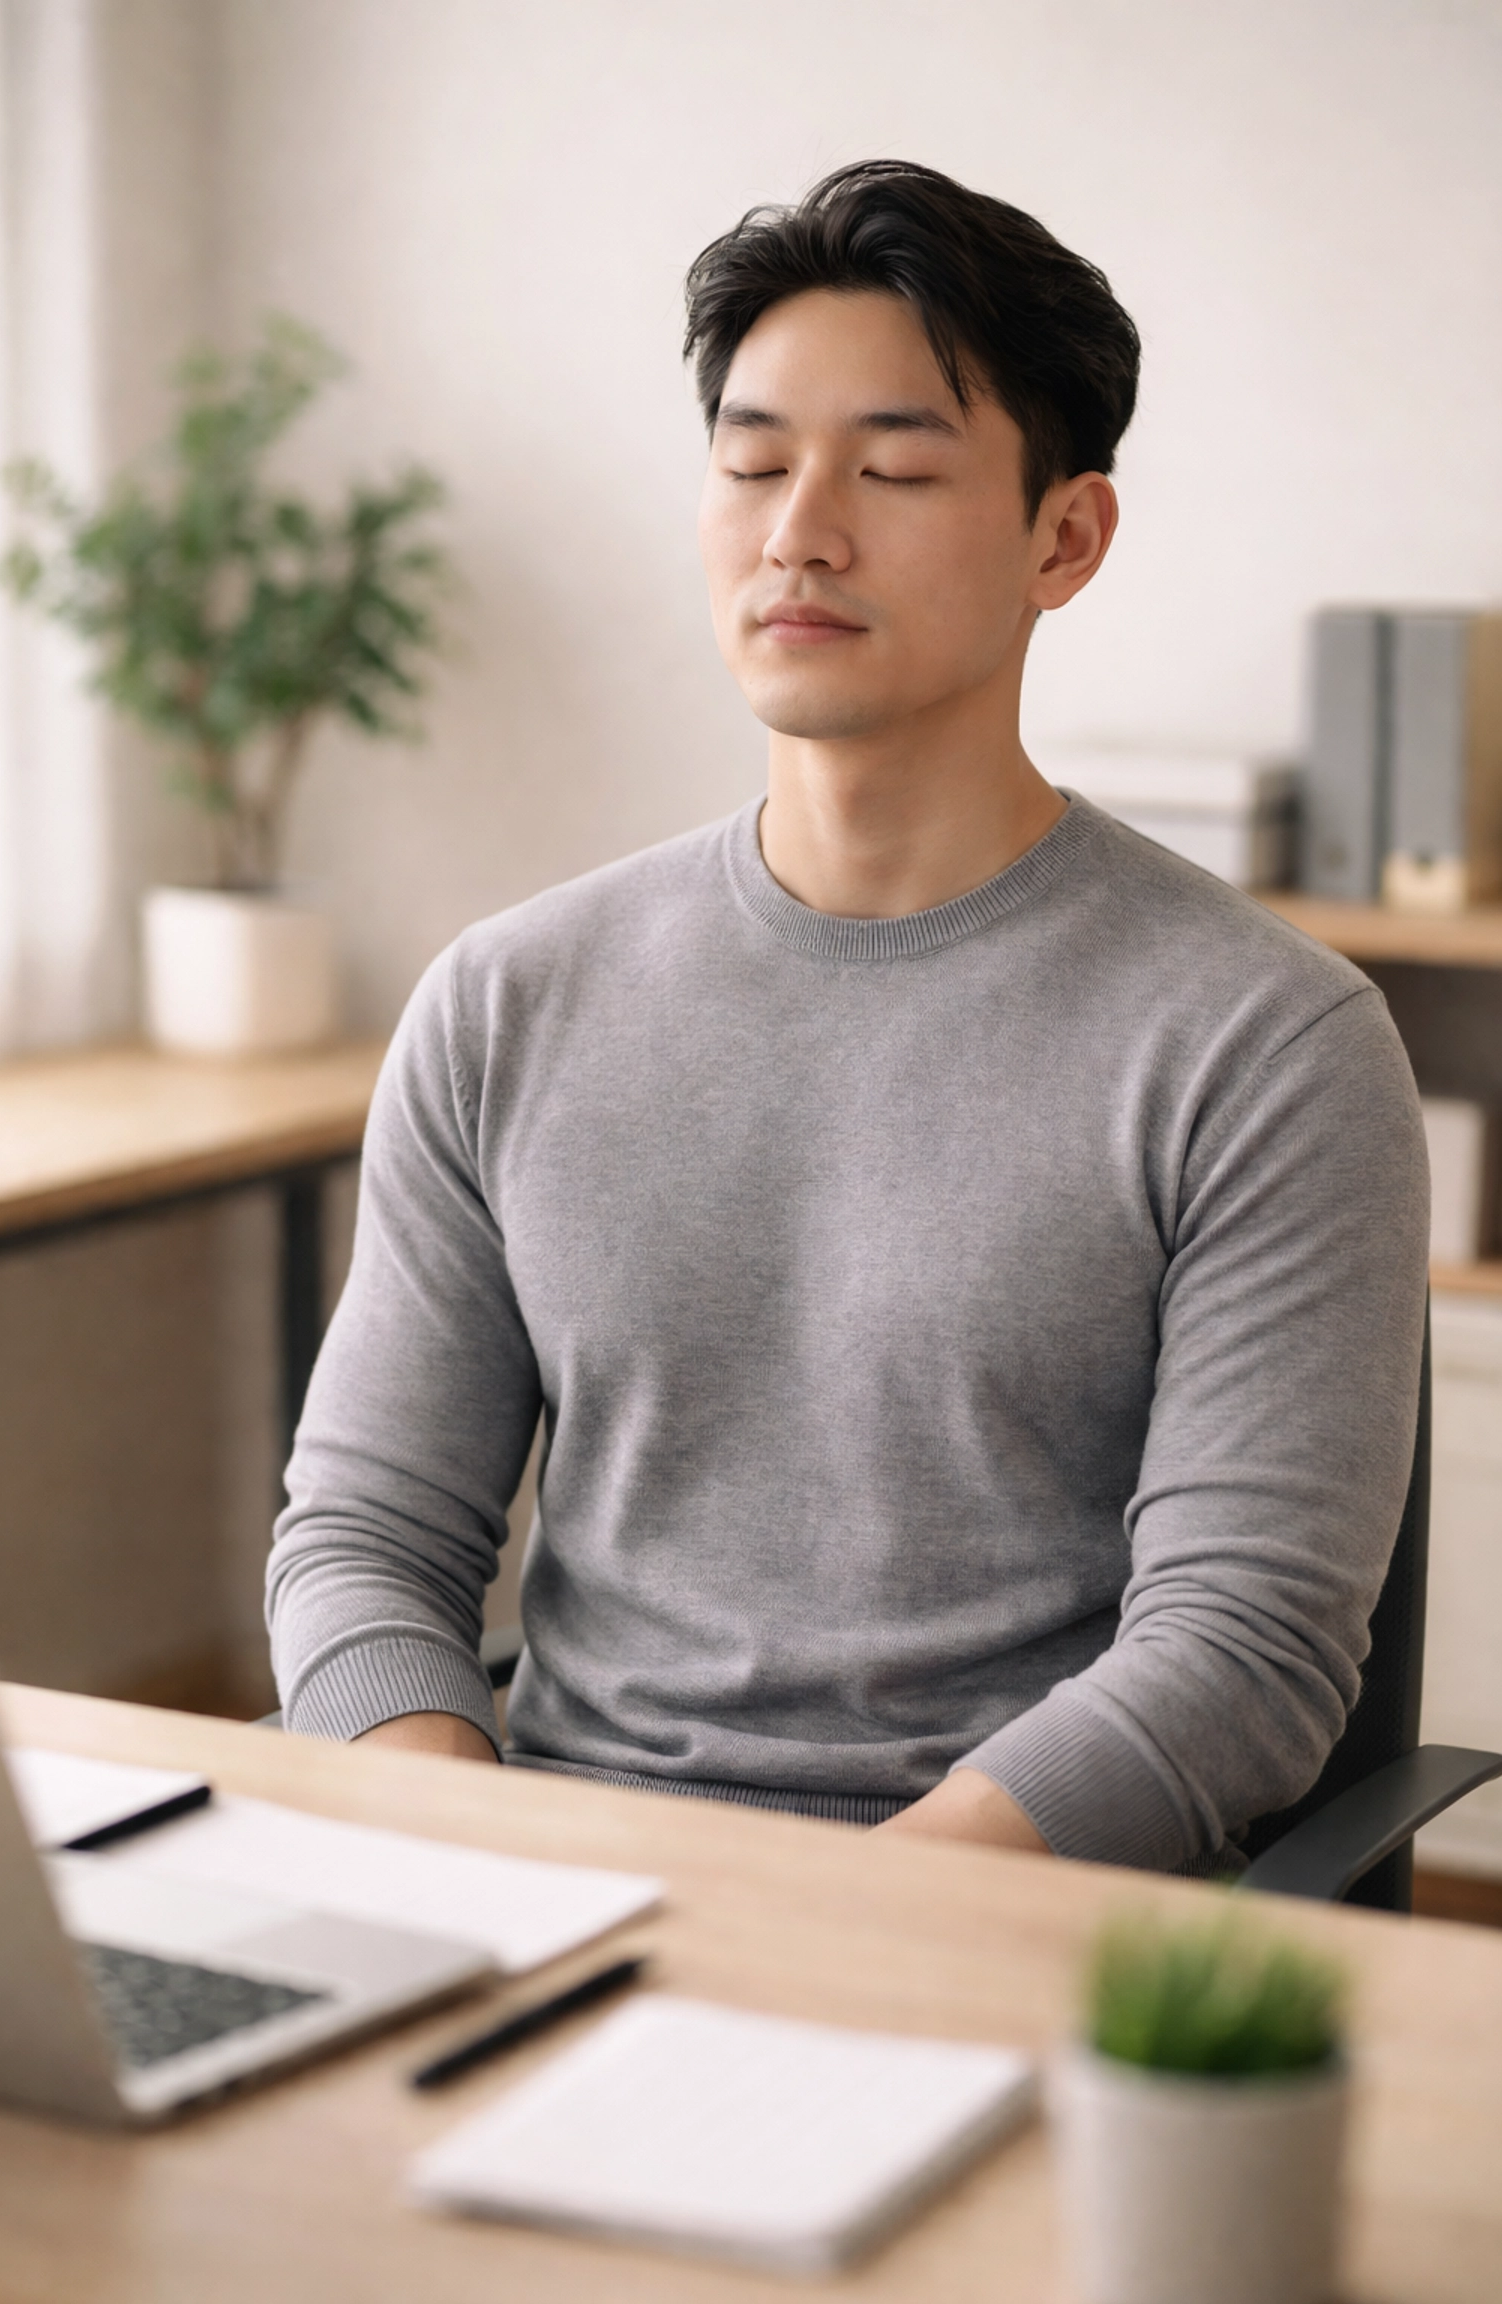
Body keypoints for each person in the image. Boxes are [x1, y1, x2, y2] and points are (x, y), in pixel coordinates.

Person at [267, 161, 1428, 1872]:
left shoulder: (1266, 1047)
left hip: (997, 1921)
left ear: (1066, 535)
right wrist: (458, 1865)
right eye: (751, 462)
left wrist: (823, 1930)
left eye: (891, 466)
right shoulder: (507, 1002)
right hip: (561, 1904)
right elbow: (364, 1536)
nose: (799, 526)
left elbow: (1237, 1656)